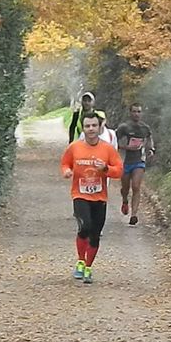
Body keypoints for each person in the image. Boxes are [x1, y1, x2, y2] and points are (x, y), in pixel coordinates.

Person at [61, 112, 123, 284]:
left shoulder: (107, 149)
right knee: (85, 227)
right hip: (80, 194)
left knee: (95, 234)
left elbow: (119, 171)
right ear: (83, 128)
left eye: (94, 126)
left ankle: (88, 267)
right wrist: (66, 171)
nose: (91, 129)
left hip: (100, 197)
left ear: (100, 126)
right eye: (87, 126)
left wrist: (105, 169)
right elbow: (65, 162)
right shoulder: (75, 147)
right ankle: (80, 261)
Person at [116, 103, 155, 226]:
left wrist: (151, 149)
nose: (136, 114)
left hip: (139, 161)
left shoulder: (145, 128)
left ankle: (134, 215)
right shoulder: (124, 127)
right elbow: (113, 141)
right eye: (134, 111)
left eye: (139, 111)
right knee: (125, 188)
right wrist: (125, 147)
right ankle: (124, 201)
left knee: (136, 187)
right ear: (130, 112)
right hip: (126, 161)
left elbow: (149, 138)